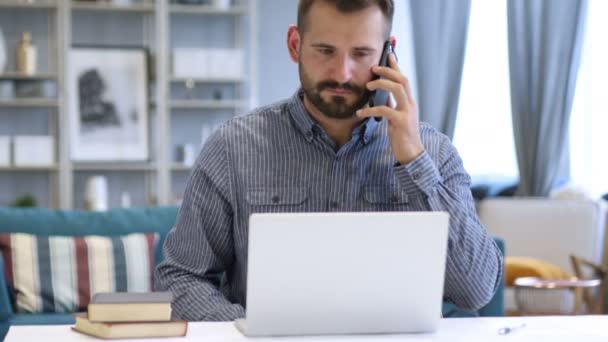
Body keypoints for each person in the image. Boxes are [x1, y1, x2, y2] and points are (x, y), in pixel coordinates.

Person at [154, 0, 503, 321]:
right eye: (325, 51)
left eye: (362, 53)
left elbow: (474, 292)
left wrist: (414, 160)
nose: (342, 73)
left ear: (386, 54)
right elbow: (180, 278)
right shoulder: (232, 147)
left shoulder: (434, 152)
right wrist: (251, 331)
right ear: (295, 45)